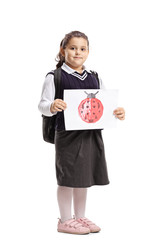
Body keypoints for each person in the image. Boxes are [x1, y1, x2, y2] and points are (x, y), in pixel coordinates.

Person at [38, 30, 125, 235]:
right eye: (73, 48)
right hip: (67, 135)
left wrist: (116, 111)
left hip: (90, 134)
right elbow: (42, 105)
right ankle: (65, 220)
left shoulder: (95, 77)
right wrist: (52, 105)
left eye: (83, 48)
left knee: (83, 177)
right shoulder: (55, 77)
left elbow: (104, 102)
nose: (78, 52)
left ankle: (80, 215)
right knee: (68, 177)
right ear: (63, 50)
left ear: (88, 51)